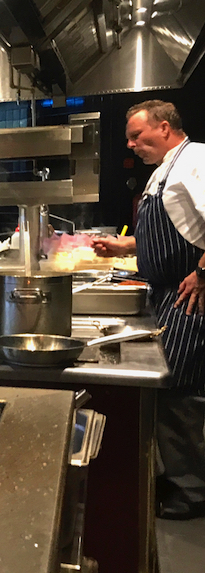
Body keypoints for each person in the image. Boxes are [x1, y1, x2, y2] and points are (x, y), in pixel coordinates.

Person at [91, 100, 205, 520]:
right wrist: (125, 245)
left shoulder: (196, 160)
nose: (131, 143)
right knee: (172, 391)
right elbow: (182, 229)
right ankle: (178, 477)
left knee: (181, 394)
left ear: (164, 127)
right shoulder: (164, 170)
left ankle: (192, 491)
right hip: (167, 294)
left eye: (138, 135)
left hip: (188, 297)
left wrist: (203, 274)